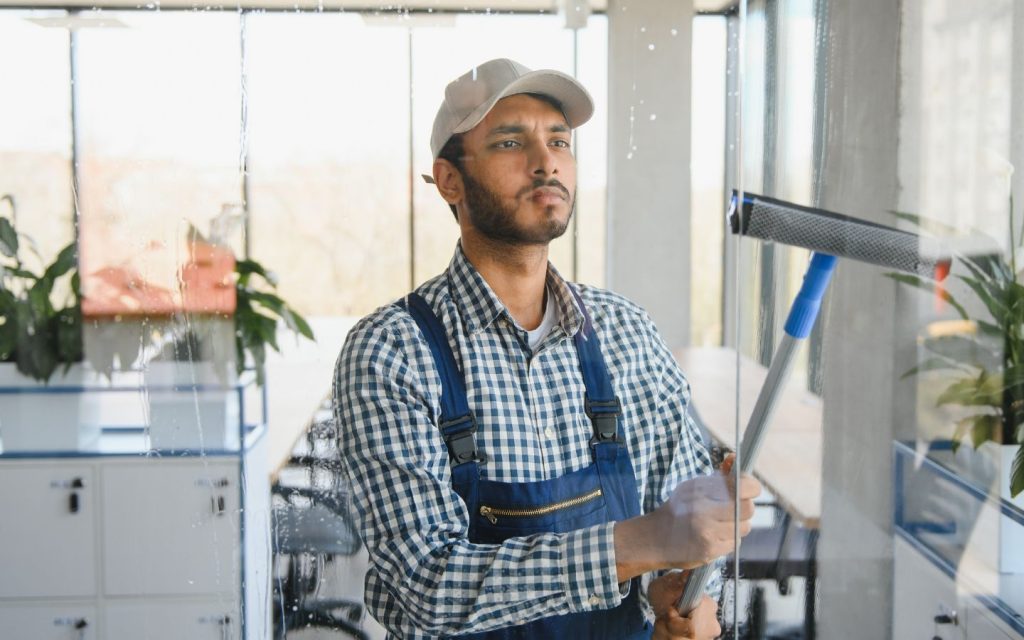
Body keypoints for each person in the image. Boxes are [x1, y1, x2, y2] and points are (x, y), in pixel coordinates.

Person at [334, 58, 761, 640]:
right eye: (511, 141)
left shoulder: (626, 332)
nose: (546, 161)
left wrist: (681, 597)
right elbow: (427, 586)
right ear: (450, 180)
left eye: (559, 140)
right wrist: (640, 542)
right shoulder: (391, 352)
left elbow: (684, 535)